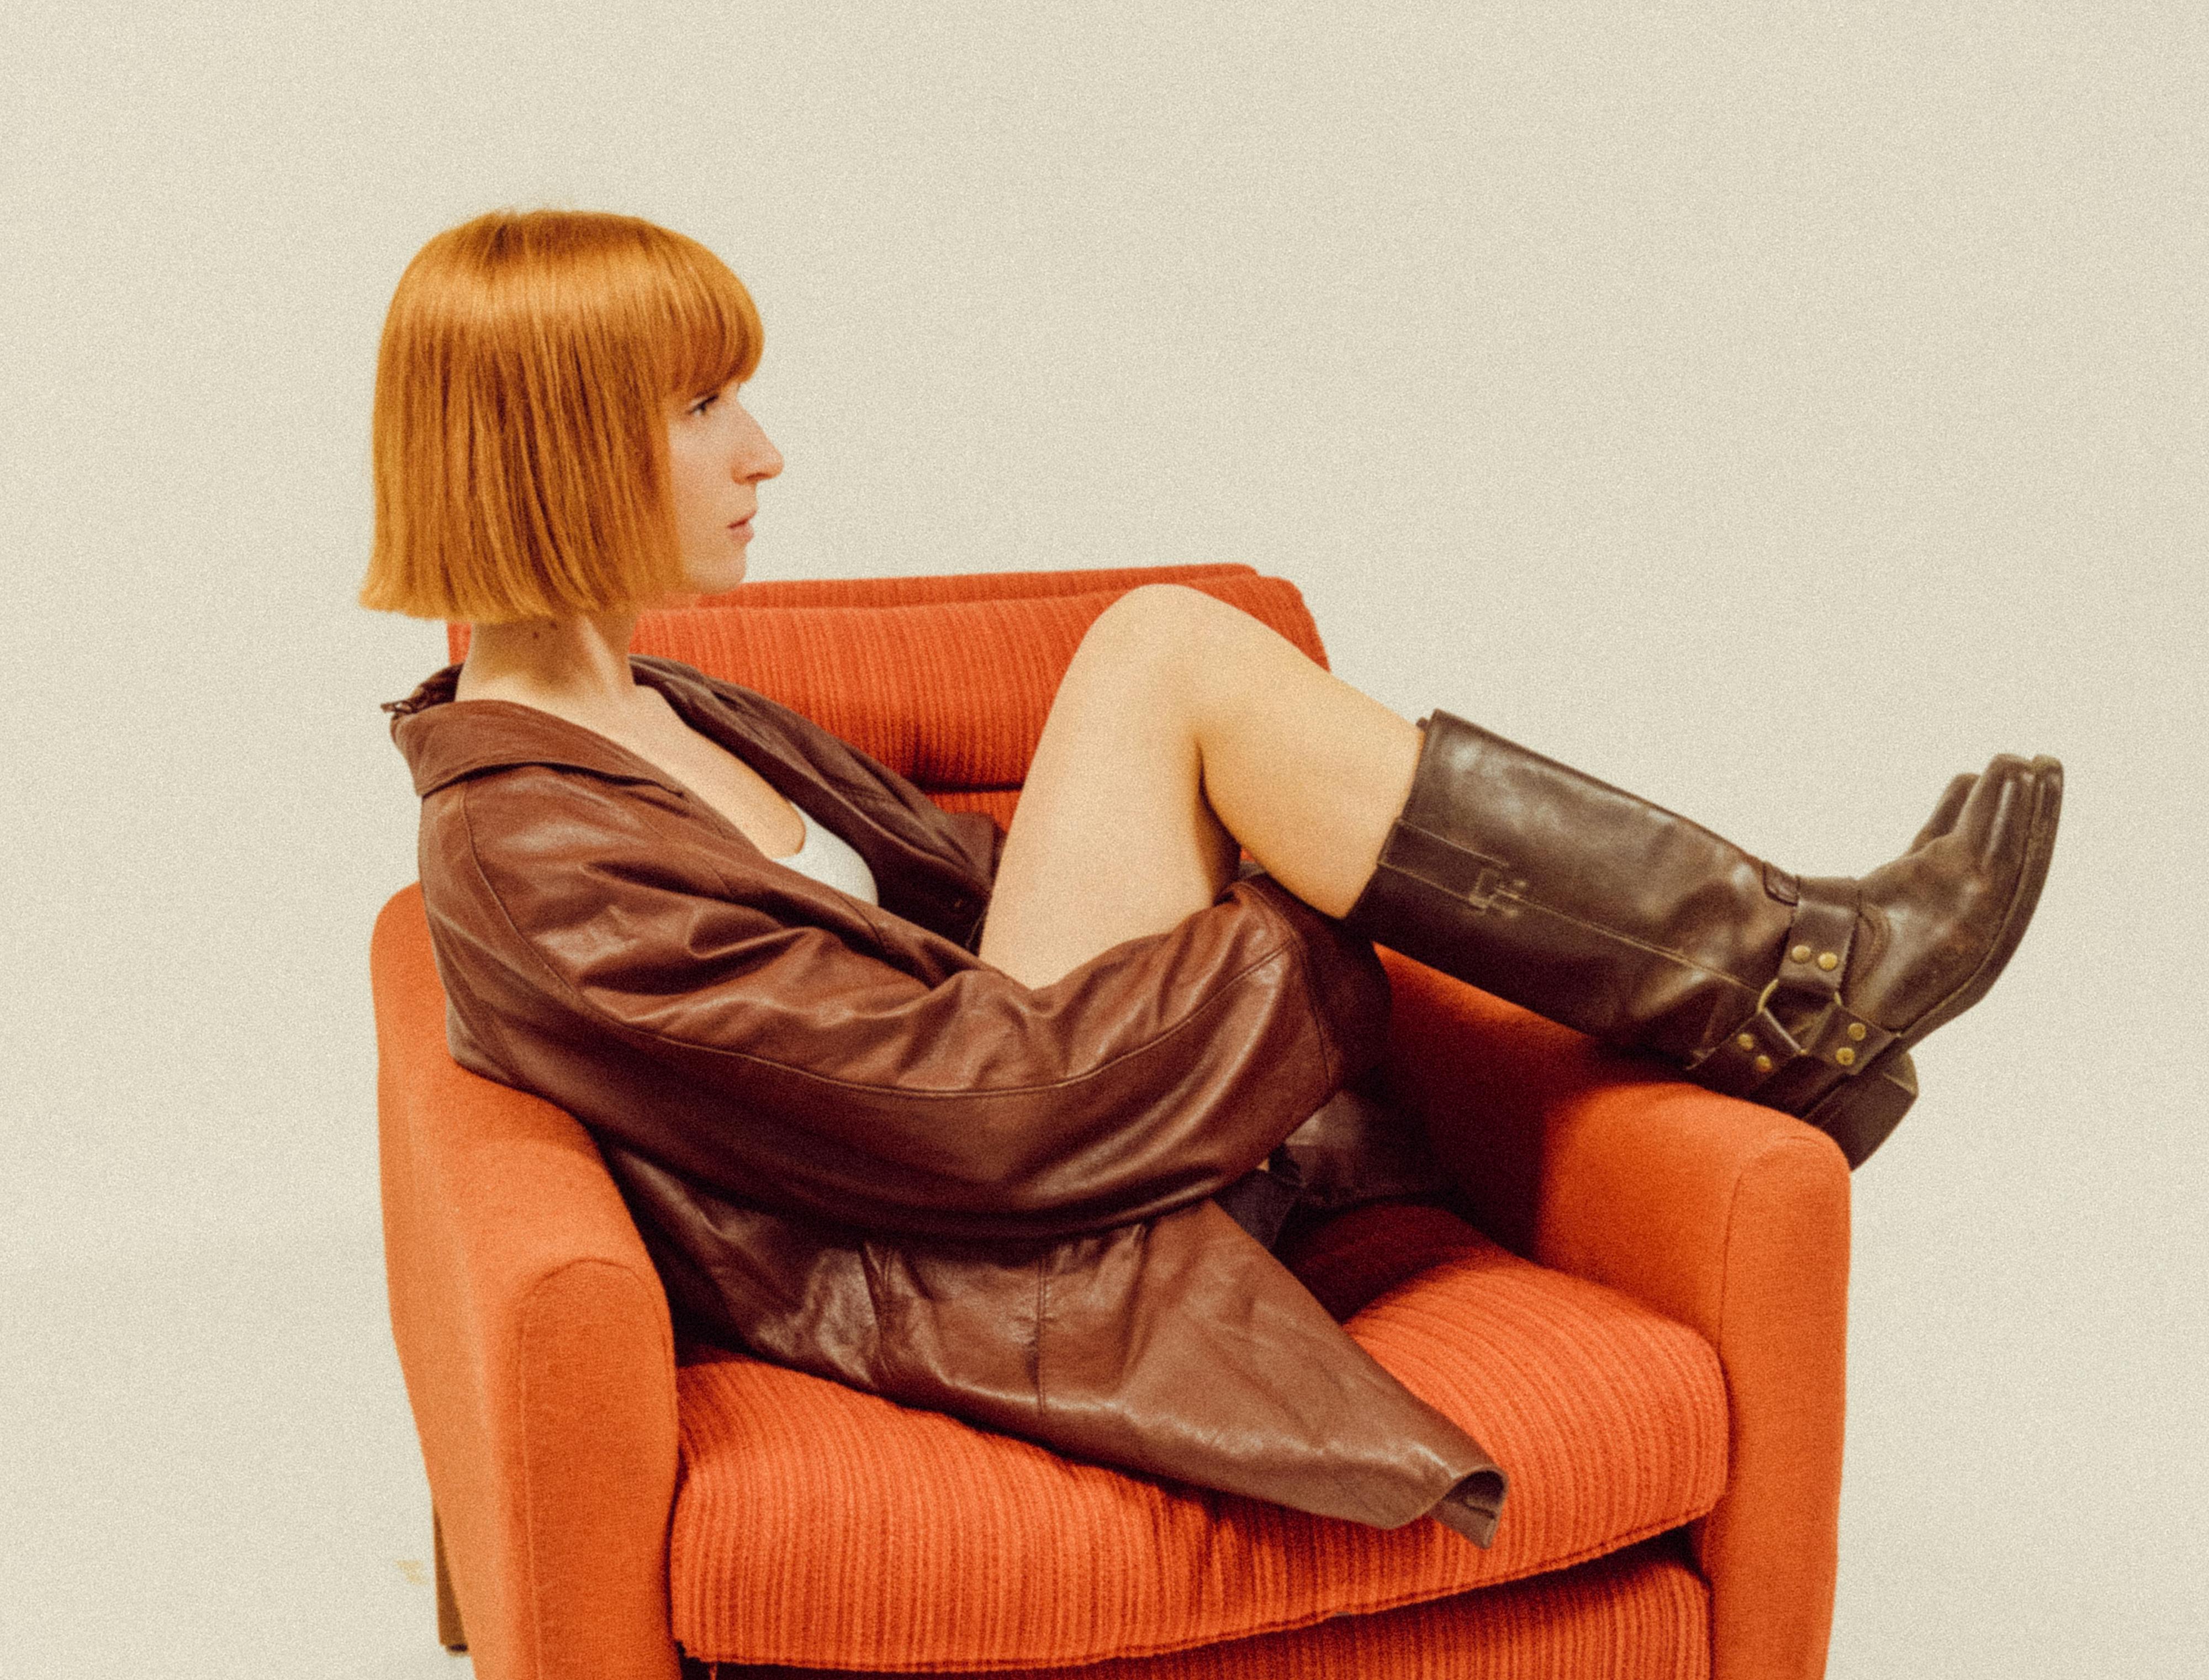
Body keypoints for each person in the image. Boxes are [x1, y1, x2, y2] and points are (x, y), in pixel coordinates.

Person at [368, 210, 2060, 1549]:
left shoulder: (665, 707)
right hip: (1009, 1225)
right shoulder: (532, 857)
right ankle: (1797, 987)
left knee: (1177, 656)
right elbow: (976, 1120)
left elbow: (964, 895)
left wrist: (1252, 865)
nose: (764, 451)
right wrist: (1301, 937)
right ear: (556, 445)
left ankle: (1793, 984)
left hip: (1060, 1098)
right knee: (1168, 649)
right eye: (700, 408)